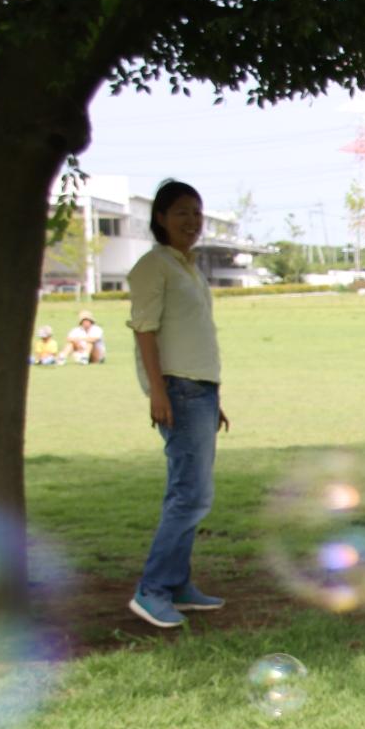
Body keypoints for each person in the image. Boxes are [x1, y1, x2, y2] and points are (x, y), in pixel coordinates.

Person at [126, 179, 228, 629]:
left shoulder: (188, 267)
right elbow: (144, 330)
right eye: (182, 212)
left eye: (198, 213)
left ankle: (178, 584)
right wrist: (159, 391)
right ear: (161, 218)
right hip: (178, 389)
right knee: (190, 495)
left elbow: (192, 336)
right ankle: (152, 591)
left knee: (193, 492)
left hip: (199, 390)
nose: (192, 221)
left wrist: (214, 399)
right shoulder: (154, 266)